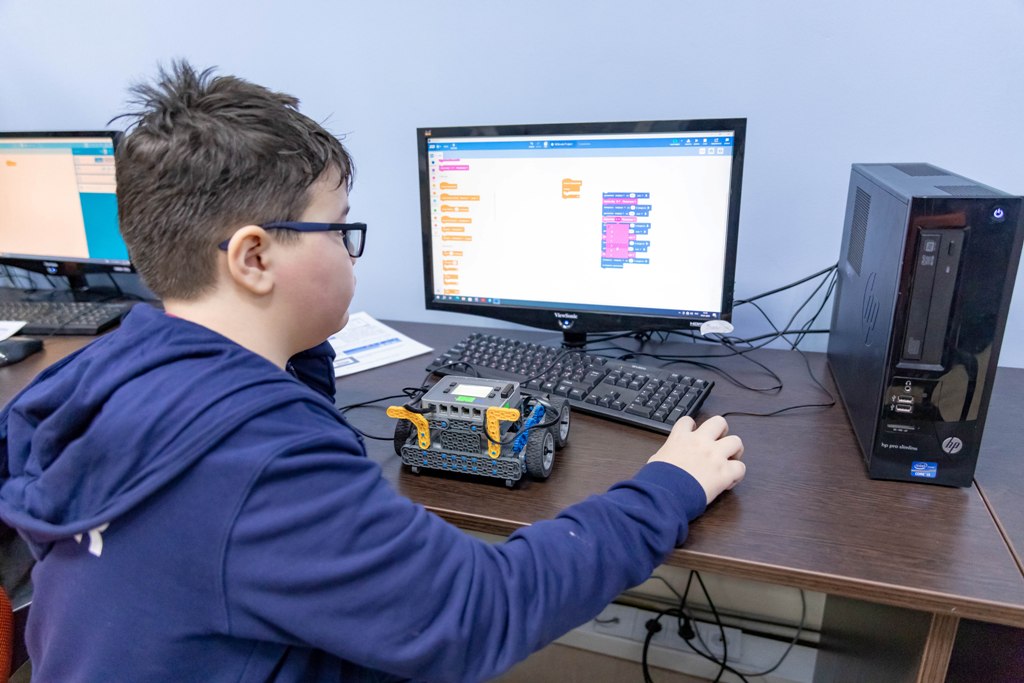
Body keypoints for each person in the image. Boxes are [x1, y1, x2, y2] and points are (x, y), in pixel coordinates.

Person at [0, 61, 745, 683]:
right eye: (338, 228)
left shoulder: (99, 373)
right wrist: (668, 485)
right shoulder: (262, 462)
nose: (351, 251)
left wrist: (295, 337)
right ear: (254, 257)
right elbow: (479, 612)